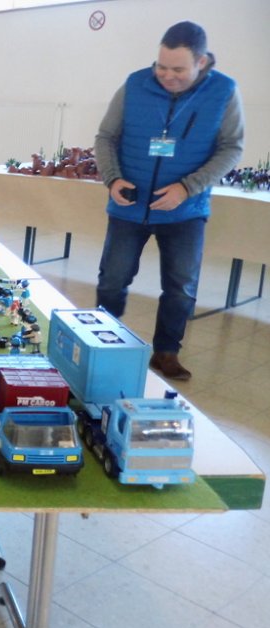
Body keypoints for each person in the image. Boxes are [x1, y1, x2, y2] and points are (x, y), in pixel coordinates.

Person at [94, 21, 244, 381]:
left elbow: (231, 148)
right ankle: (101, 341)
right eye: (161, 66)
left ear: (201, 62)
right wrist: (112, 178)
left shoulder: (224, 92)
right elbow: (106, 136)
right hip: (129, 206)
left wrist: (187, 188)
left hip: (185, 211)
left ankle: (166, 352)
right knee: (113, 279)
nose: (167, 75)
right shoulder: (135, 84)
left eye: (178, 69)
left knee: (181, 286)